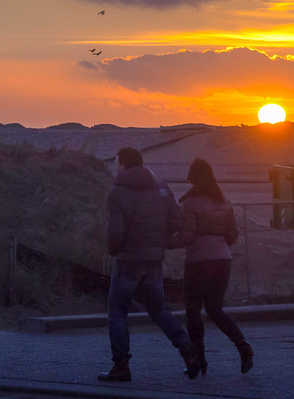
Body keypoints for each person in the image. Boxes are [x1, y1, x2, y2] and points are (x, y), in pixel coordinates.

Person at [98, 146, 203, 382]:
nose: (116, 167)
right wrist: (156, 238)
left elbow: (115, 231)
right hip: (154, 260)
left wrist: (114, 250)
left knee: (117, 312)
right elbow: (177, 221)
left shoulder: (117, 192)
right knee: (158, 309)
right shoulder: (162, 187)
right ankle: (186, 346)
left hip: (128, 261)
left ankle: (121, 365)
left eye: (117, 163)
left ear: (123, 164)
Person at [177, 157, 254, 375]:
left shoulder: (189, 203)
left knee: (193, 311)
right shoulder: (224, 202)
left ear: (193, 178)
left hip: (197, 262)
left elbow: (187, 236)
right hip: (223, 260)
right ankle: (243, 346)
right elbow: (233, 235)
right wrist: (218, 244)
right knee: (215, 310)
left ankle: (199, 360)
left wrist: (165, 242)